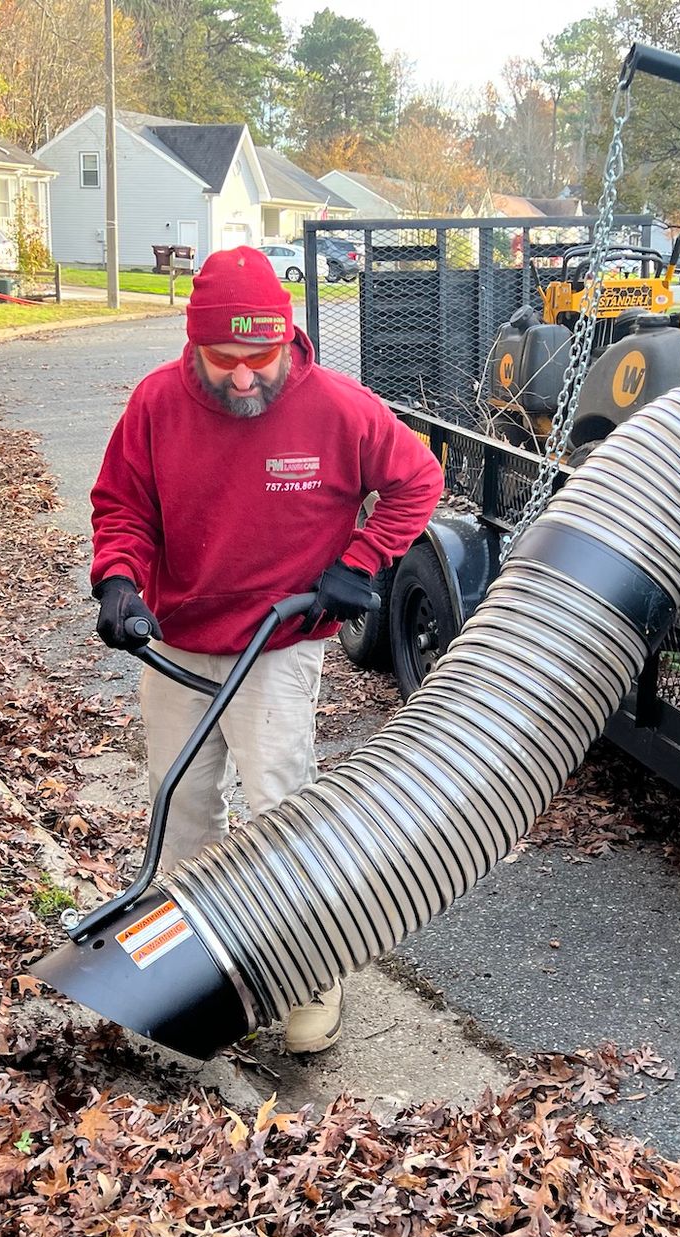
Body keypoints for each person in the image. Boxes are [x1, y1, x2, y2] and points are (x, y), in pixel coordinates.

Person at [88, 246, 444, 1054]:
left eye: (263, 359)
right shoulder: (155, 405)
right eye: (226, 362)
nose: (246, 379)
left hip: (278, 643)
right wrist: (118, 579)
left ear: (288, 341)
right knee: (180, 812)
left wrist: (361, 561)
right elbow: (123, 507)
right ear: (193, 347)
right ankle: (191, 972)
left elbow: (418, 480)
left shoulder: (337, 408)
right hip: (178, 641)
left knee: (280, 806)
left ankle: (311, 974)